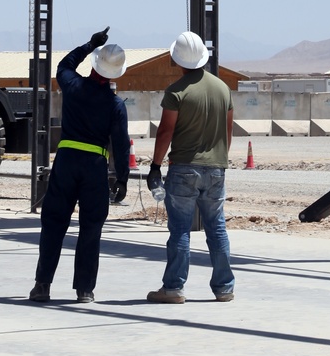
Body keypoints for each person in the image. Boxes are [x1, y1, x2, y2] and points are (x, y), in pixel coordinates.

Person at [30, 29, 129, 304]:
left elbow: (63, 66)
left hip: (66, 162)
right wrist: (122, 178)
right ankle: (84, 289)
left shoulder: (72, 87)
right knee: (91, 226)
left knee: (53, 224)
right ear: (115, 73)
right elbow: (121, 145)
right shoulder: (115, 105)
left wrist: (89, 44)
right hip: (94, 167)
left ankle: (42, 285)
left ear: (95, 64)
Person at [145, 30, 234, 304]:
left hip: (184, 169)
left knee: (181, 230)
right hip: (216, 169)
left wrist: (155, 166)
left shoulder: (176, 92)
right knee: (216, 228)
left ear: (177, 60)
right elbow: (228, 132)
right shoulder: (222, 88)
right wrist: (218, 160)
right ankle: (224, 288)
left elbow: (165, 132)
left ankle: (173, 288)